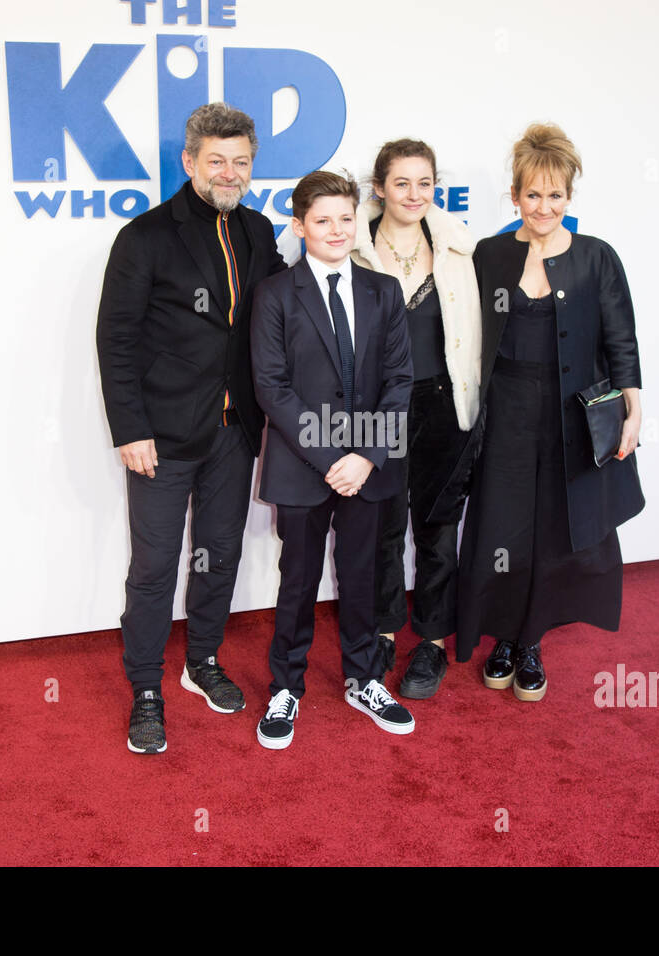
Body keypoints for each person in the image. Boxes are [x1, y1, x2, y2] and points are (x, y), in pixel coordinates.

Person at [96, 103, 286, 754]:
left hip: (235, 431)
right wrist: (130, 427)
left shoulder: (260, 233)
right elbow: (116, 339)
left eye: (241, 163)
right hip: (162, 436)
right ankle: (146, 686)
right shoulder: (145, 237)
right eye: (216, 162)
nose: (229, 174)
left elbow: (281, 318)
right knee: (153, 568)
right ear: (190, 162)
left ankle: (201, 659)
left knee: (220, 554)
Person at [457, 122, 645, 701]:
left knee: (556, 528)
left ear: (570, 196)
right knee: (502, 525)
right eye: (532, 194)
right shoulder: (488, 254)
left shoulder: (596, 258)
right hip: (507, 413)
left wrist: (633, 410)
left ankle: (532, 640)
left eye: (555, 194)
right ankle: (504, 637)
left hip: (571, 416)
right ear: (514, 196)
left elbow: (621, 341)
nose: (544, 206)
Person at [250, 170, 416, 749]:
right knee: (298, 579)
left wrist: (366, 456)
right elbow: (272, 388)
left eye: (346, 217)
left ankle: (365, 677)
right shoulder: (275, 294)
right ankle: (285, 685)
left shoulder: (383, 291)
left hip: (369, 467)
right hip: (304, 464)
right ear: (299, 226)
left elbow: (400, 380)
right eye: (322, 220)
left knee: (363, 576)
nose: (336, 229)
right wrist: (330, 457)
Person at [349, 139, 483, 699]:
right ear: (379, 188)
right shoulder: (350, 246)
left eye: (424, 182)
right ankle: (380, 630)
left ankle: (430, 641)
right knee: (381, 530)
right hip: (375, 411)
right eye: (401, 183)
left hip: (445, 406)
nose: (414, 194)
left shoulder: (460, 247)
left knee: (437, 528)